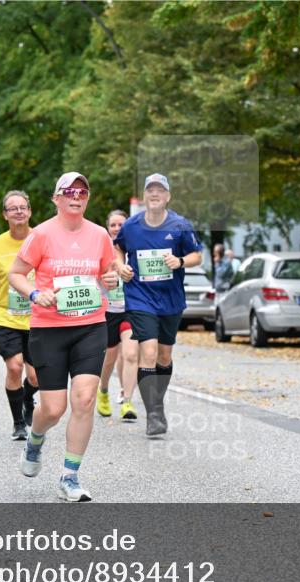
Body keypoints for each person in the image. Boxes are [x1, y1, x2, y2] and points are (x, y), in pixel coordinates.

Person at [8, 172, 117, 502]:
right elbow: (15, 273)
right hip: (49, 329)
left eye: (83, 191)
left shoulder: (100, 235)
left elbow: (107, 273)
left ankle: (70, 476)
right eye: (70, 190)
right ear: (57, 198)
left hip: (90, 325)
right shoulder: (41, 234)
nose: (77, 195)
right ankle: (36, 437)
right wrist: (34, 293)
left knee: (83, 400)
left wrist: (110, 280)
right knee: (53, 409)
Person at [114, 173, 203, 437]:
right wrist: (121, 266)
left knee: (164, 356)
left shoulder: (180, 226)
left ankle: (157, 402)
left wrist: (181, 261)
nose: (155, 194)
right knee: (149, 352)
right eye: (150, 190)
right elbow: (117, 248)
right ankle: (153, 412)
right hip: (140, 297)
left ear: (167, 196)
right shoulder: (131, 225)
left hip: (171, 300)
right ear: (144, 196)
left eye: (160, 190)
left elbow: (197, 255)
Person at [0, 190, 40, 441]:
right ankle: (18, 423)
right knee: (14, 367)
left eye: (23, 207)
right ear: (5, 215)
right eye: (12, 208)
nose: (18, 211)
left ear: (30, 211)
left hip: (38, 318)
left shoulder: (41, 239)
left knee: (35, 376)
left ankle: (27, 398)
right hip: (6, 317)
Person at [96, 210, 139, 421]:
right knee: (109, 358)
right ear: (107, 227)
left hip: (130, 309)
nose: (116, 228)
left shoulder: (134, 248)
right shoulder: (101, 249)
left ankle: (127, 401)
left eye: (120, 224)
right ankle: (103, 390)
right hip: (107, 311)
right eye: (113, 225)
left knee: (131, 354)